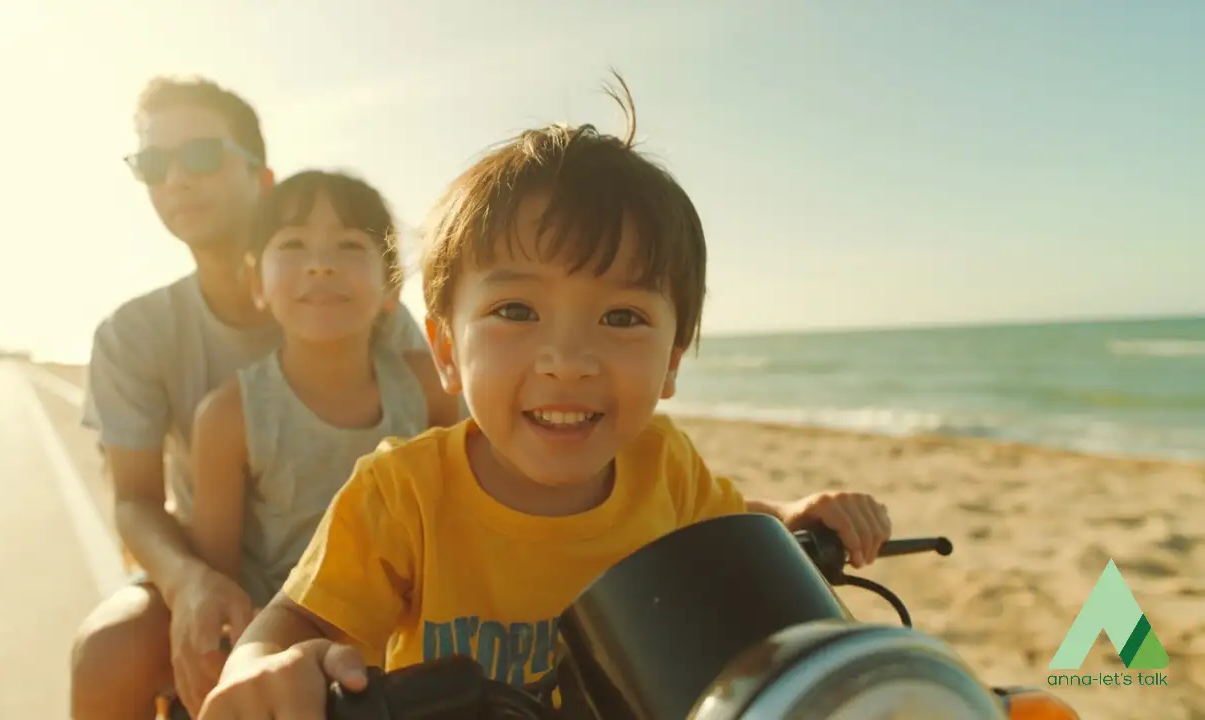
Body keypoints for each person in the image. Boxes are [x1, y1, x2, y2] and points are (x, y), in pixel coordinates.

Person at [198, 75, 891, 718]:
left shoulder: (665, 465)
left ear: (673, 362)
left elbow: (727, 525)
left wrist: (789, 518)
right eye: (516, 311)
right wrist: (262, 667)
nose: (567, 361)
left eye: (622, 317)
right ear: (446, 350)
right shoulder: (402, 495)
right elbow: (295, 621)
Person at [68, 78, 434, 720]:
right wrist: (190, 582)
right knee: (108, 648)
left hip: (387, 577)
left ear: (260, 177)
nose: (177, 179)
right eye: (154, 163)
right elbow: (134, 501)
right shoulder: (135, 335)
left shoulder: (367, 314)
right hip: (224, 569)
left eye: (201, 155)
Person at [181, 168, 460, 714]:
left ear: (391, 287)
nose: (321, 264)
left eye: (350, 245)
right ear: (256, 282)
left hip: (413, 652)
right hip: (290, 660)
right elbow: (221, 580)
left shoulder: (430, 385)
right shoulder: (227, 416)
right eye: (293, 244)